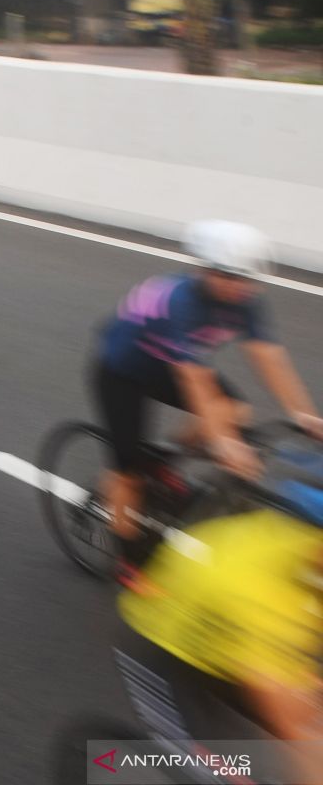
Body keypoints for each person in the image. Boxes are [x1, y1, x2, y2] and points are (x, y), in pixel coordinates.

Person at [91, 220, 323, 570]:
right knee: (129, 474)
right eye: (228, 277)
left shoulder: (247, 300)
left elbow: (269, 356)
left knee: (235, 411)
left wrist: (302, 413)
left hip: (166, 365)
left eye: (246, 279)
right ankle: (127, 561)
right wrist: (222, 442)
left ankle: (166, 459)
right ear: (204, 270)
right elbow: (194, 378)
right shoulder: (181, 300)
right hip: (123, 372)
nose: (239, 288)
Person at [117, 503, 323, 784]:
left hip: (228, 638)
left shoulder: (307, 543)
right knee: (223, 771)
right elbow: (292, 724)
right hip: (163, 645)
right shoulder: (265, 605)